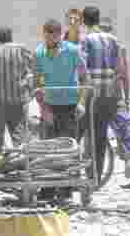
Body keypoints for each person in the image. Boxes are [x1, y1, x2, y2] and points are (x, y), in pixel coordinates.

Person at [34, 19, 88, 202]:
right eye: (47, 34)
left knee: (67, 149)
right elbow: (37, 83)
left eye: (54, 33)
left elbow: (84, 77)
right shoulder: (39, 52)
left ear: (59, 34)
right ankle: (47, 189)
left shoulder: (72, 50)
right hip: (50, 106)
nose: (50, 37)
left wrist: (81, 102)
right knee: (48, 149)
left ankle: (66, 190)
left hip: (70, 106)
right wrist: (43, 109)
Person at [80, 6, 128, 182]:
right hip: (109, 96)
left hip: (91, 96)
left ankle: (74, 177)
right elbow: (120, 70)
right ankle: (95, 178)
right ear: (98, 20)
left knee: (78, 134)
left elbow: (82, 68)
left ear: (84, 21)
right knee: (100, 137)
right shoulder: (113, 40)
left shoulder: (85, 40)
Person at [0, 26, 35, 158]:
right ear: (11, 36)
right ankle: (23, 160)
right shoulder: (22, 50)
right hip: (18, 98)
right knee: (19, 133)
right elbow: (34, 67)